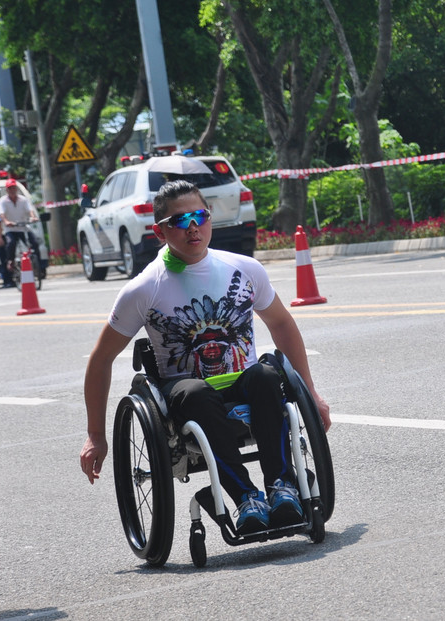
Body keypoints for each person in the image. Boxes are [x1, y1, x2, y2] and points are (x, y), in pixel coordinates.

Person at [79, 180, 331, 535]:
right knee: (196, 393)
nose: (193, 227)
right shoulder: (144, 288)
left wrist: (312, 394)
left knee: (265, 376)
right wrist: (95, 435)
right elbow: (101, 358)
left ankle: (281, 486)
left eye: (200, 216)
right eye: (180, 220)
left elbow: (282, 325)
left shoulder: (244, 269)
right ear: (160, 231)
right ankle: (246, 498)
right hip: (186, 392)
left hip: (243, 381)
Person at [0, 178, 39, 278]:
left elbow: (30, 210)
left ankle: (38, 266)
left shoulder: (23, 200)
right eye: (10, 189)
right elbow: (1, 214)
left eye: (13, 188)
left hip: (23, 228)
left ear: (16, 189)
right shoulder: (3, 201)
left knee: (35, 243)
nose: (12, 191)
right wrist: (6, 221)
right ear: (7, 190)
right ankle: (10, 261)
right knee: (11, 243)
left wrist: (32, 217)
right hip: (11, 229)